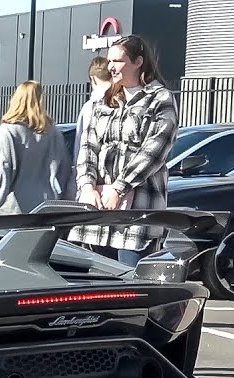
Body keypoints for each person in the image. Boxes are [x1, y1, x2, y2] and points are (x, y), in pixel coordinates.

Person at [74, 35, 179, 265]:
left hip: (138, 213)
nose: (111, 67)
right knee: (95, 285)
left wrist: (119, 189)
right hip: (99, 213)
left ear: (138, 61)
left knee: (130, 283)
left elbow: (153, 152)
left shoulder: (160, 99)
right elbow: (88, 145)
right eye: (109, 60)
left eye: (118, 61)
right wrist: (87, 186)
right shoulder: (104, 100)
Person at [0, 81, 72, 216]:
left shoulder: (9, 130)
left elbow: (3, 169)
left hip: (14, 207)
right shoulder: (53, 131)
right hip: (45, 205)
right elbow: (64, 170)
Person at [74, 55, 113, 169]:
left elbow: (80, 148)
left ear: (93, 78)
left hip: (94, 177)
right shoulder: (126, 102)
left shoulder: (90, 108)